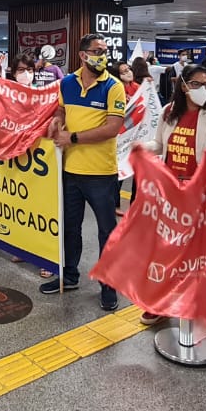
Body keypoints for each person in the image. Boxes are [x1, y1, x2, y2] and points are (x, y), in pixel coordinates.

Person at [138, 63, 206, 325]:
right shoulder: (170, 112)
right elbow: (159, 145)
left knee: (199, 254)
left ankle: (198, 302)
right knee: (166, 251)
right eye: (195, 84)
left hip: (203, 196)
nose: (202, 89)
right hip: (171, 195)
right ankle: (159, 302)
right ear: (183, 85)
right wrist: (139, 148)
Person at [41, 34, 127, 310]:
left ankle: (109, 283)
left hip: (101, 173)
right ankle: (70, 274)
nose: (102, 55)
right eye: (97, 50)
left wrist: (72, 138)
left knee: (106, 231)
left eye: (105, 50)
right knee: (70, 227)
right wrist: (57, 120)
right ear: (82, 55)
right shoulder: (67, 83)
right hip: (70, 171)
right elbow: (62, 111)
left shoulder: (113, 87)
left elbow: (112, 128)